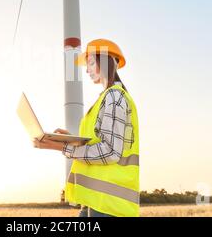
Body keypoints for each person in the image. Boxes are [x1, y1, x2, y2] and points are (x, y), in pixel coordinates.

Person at [33, 39, 140, 217]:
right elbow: (98, 141)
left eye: (91, 62)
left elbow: (110, 151)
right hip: (96, 200)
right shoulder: (106, 97)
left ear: (105, 61)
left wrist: (59, 147)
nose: (87, 70)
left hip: (109, 205)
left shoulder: (114, 96)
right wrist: (72, 140)